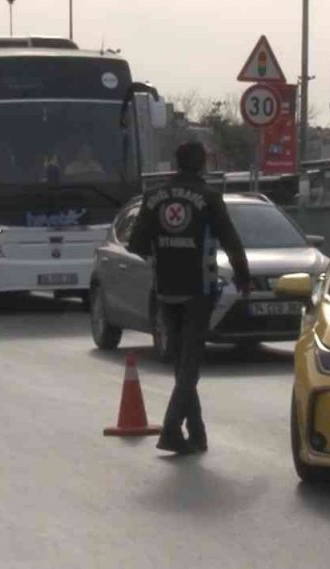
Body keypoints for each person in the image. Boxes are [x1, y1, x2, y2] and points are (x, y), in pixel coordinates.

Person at [128, 142, 251, 454]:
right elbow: (231, 241)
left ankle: (197, 434)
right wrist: (243, 277)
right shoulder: (209, 197)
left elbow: (136, 244)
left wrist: (162, 257)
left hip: (165, 288)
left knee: (182, 362)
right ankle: (171, 430)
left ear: (177, 162)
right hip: (199, 289)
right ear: (202, 163)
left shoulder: (153, 197)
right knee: (190, 364)